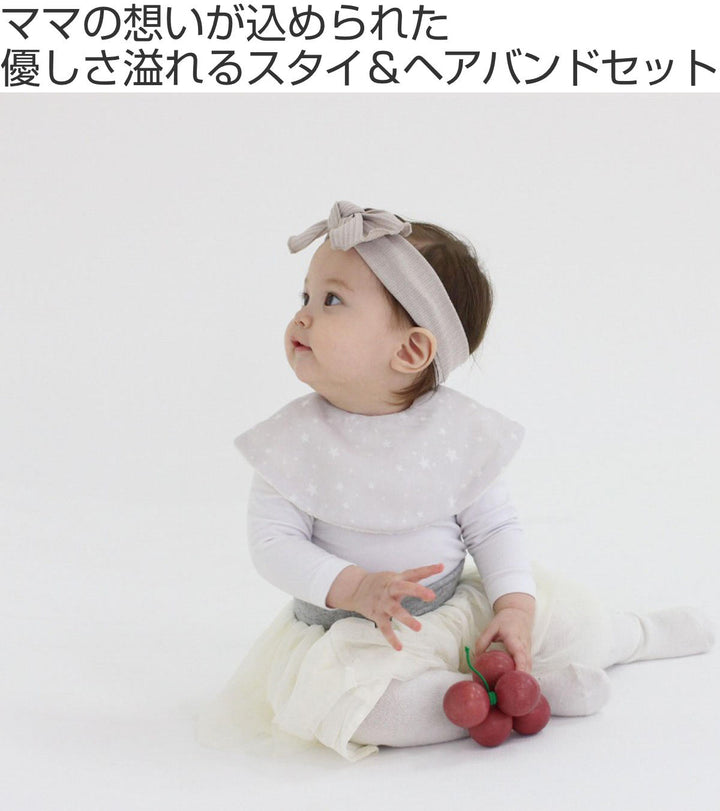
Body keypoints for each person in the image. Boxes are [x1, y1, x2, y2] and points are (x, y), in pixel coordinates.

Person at [198, 201, 713, 762]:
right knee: (358, 707)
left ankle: (634, 636)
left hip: (452, 611)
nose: (302, 317)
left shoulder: (456, 434)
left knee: (571, 619)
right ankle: (507, 696)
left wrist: (513, 608)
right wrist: (354, 588)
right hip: (356, 636)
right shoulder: (292, 443)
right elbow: (272, 545)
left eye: (332, 300)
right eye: (305, 297)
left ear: (411, 350)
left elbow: (494, 528)